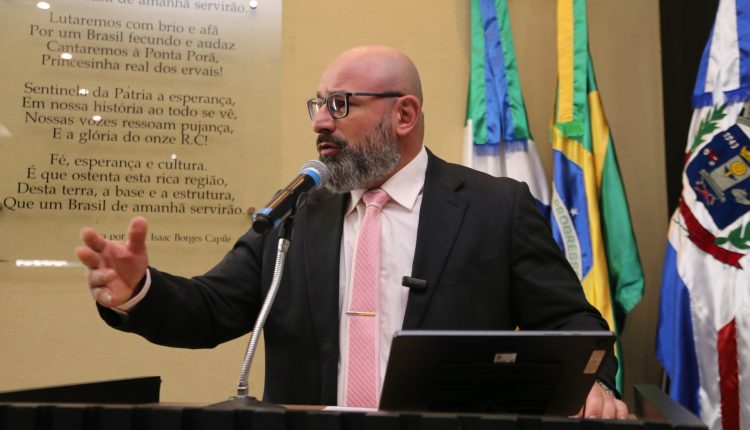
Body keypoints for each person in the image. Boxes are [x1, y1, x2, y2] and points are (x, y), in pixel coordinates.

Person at [77, 45, 628, 419]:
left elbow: (571, 323)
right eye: (318, 105)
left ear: (404, 115)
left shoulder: (495, 208)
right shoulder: (295, 213)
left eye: (340, 104)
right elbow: (209, 309)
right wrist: (139, 290)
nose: (320, 121)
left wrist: (595, 385)